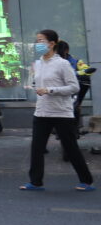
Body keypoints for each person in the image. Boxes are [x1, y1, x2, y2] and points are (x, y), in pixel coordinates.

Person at [21, 30, 94, 191]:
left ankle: (86, 181)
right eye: (37, 40)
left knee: (70, 147)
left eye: (41, 41)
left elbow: (74, 87)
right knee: (37, 148)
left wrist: (50, 90)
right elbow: (36, 83)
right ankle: (35, 182)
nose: (37, 44)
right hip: (41, 112)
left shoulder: (62, 64)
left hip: (61, 113)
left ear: (52, 44)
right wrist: (35, 87)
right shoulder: (38, 64)